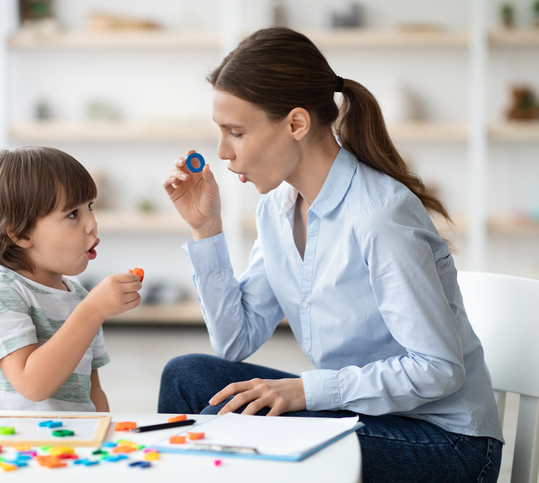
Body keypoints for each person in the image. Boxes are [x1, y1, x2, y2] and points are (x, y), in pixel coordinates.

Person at [159, 27, 503, 482]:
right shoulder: (277, 210)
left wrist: (306, 390)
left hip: (447, 444)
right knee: (186, 377)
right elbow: (235, 341)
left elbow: (438, 370)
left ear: (297, 124)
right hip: (368, 418)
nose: (223, 152)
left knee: (234, 424)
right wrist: (206, 230)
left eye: (236, 132)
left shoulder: (381, 215)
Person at [0, 146, 142, 411]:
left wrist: (105, 439)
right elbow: (32, 384)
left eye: (90, 207)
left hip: (68, 447)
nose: (92, 223)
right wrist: (92, 312)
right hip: (4, 447)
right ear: (21, 234)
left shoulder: (79, 297)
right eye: (72, 214)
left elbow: (93, 390)